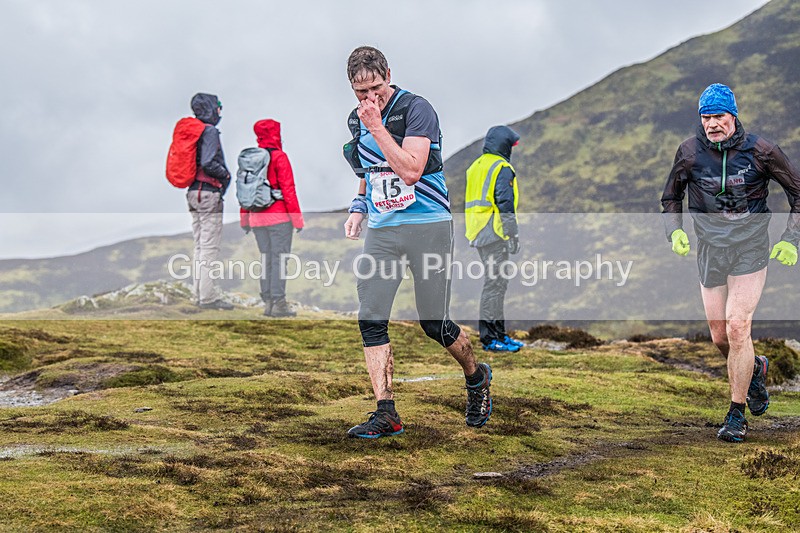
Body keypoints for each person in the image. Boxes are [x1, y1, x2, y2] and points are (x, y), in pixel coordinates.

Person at [342, 46, 492, 438]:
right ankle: (386, 412)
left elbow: (410, 170)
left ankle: (476, 377)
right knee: (370, 317)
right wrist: (359, 206)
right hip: (383, 228)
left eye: (375, 88)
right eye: (361, 93)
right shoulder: (357, 120)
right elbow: (370, 167)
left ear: (388, 74)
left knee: (433, 323)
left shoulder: (416, 109)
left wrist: (376, 125)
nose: (369, 99)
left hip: (428, 225)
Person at [661, 83, 800, 442]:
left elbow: (798, 192)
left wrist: (790, 240)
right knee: (720, 336)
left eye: (718, 116)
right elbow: (671, 197)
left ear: (733, 116)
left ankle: (736, 415)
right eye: (706, 117)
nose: (711, 124)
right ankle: (754, 367)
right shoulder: (689, 152)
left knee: (738, 327)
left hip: (750, 248)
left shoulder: (761, 151)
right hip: (710, 249)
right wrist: (674, 232)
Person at [465, 125, 525, 352]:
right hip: (495, 232)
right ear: (504, 145)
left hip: (478, 231)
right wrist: (512, 233)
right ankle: (491, 338)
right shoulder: (502, 167)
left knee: (496, 283)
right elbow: (505, 203)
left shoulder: (476, 166)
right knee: (495, 285)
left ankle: (499, 335)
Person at [240, 119, 304, 317]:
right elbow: (288, 190)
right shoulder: (279, 157)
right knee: (279, 259)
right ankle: (279, 303)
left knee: (266, 258)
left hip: (256, 219)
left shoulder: (250, 160)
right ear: (276, 134)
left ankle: (268, 303)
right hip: (279, 218)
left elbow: (245, 190)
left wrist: (245, 220)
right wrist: (297, 220)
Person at [188, 93, 233, 310]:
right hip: (208, 193)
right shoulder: (210, 131)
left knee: (199, 245)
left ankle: (198, 294)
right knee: (209, 248)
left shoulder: (194, 131)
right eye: (218, 107)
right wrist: (224, 175)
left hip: (193, 193)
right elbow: (207, 161)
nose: (220, 112)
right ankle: (207, 298)